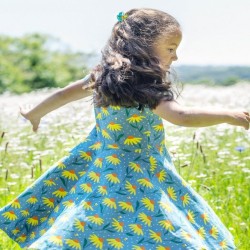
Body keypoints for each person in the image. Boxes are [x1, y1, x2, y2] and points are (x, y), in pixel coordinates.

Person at [0, 8, 249, 250]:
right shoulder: (145, 85)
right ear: (144, 45)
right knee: (160, 222)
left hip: (104, 168)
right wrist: (230, 115)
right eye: (171, 49)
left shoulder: (101, 76)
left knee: (94, 217)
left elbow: (63, 95)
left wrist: (34, 114)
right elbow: (181, 116)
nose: (175, 57)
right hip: (141, 172)